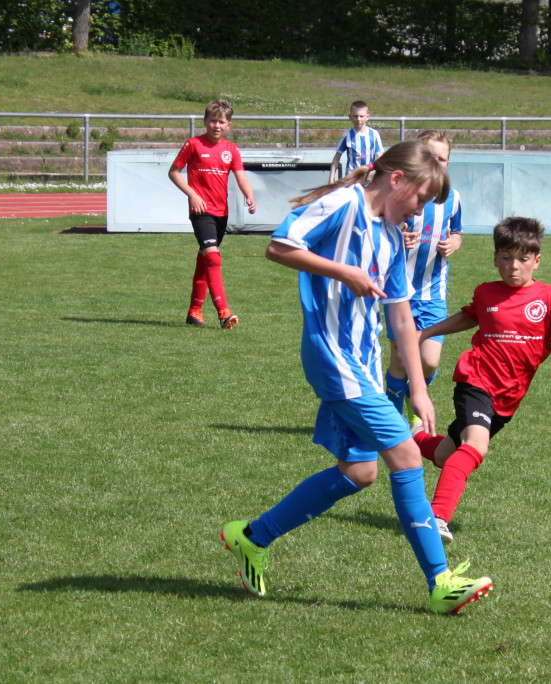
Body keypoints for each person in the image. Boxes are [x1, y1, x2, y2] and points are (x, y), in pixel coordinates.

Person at [220, 141, 492, 615]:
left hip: (363, 363)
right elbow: (279, 246)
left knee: (361, 472)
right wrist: (343, 271)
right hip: (332, 356)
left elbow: (403, 319)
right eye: (421, 198)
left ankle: (251, 536)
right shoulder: (341, 204)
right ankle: (440, 581)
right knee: (406, 456)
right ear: (396, 180)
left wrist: (421, 391)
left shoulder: (390, 237)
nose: (422, 210)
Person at [411, 216, 551, 544]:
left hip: (507, 400)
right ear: (495, 259)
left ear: (536, 261)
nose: (513, 267)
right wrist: (427, 331)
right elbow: (470, 315)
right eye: (506, 258)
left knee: (444, 456)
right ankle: (436, 517)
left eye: (523, 259)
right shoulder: (486, 292)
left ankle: (402, 437)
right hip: (475, 381)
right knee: (475, 447)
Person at [384, 130, 463, 417]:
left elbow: (457, 232)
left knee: (429, 361)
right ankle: (392, 424)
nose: (436, 163)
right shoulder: (402, 193)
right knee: (400, 359)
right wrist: (398, 238)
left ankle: (413, 394)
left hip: (432, 291)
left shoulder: (453, 198)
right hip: (398, 292)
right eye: (431, 156)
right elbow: (382, 229)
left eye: (442, 159)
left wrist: (453, 243)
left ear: (448, 163)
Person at [168, 98, 257, 329]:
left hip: (221, 213)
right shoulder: (193, 144)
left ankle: (195, 311)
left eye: (222, 122)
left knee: (205, 260)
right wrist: (192, 195)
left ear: (228, 125)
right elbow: (174, 172)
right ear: (205, 121)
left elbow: (241, 175)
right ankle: (223, 311)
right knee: (213, 258)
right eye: (213, 121)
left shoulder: (231, 149)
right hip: (201, 210)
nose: (216, 126)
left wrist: (249, 195)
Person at [328, 100, 384, 183]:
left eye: (361, 116)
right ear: (350, 117)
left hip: (369, 179)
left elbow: (380, 157)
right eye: (355, 116)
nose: (358, 119)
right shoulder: (346, 135)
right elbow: (336, 158)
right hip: (351, 179)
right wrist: (331, 178)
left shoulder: (374, 134)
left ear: (367, 117)